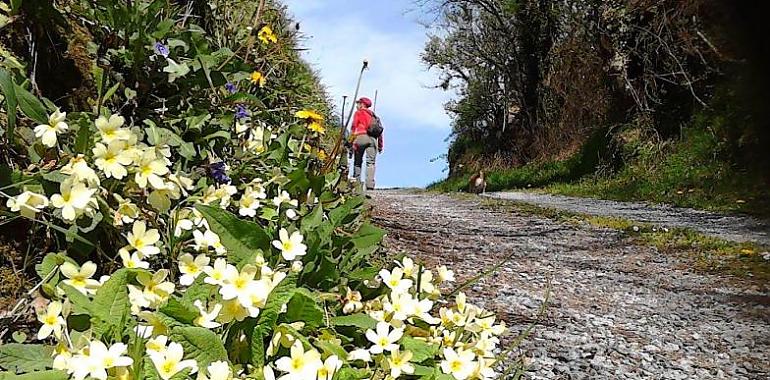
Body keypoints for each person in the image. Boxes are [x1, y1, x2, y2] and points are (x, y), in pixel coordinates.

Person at [350, 97, 383, 190]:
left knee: (357, 162)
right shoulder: (375, 116)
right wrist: (380, 145)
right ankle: (370, 185)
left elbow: (353, 127)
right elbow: (379, 132)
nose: (357, 105)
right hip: (373, 139)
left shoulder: (358, 113)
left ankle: (356, 184)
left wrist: (350, 141)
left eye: (358, 103)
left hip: (361, 137)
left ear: (362, 104)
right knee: (371, 163)